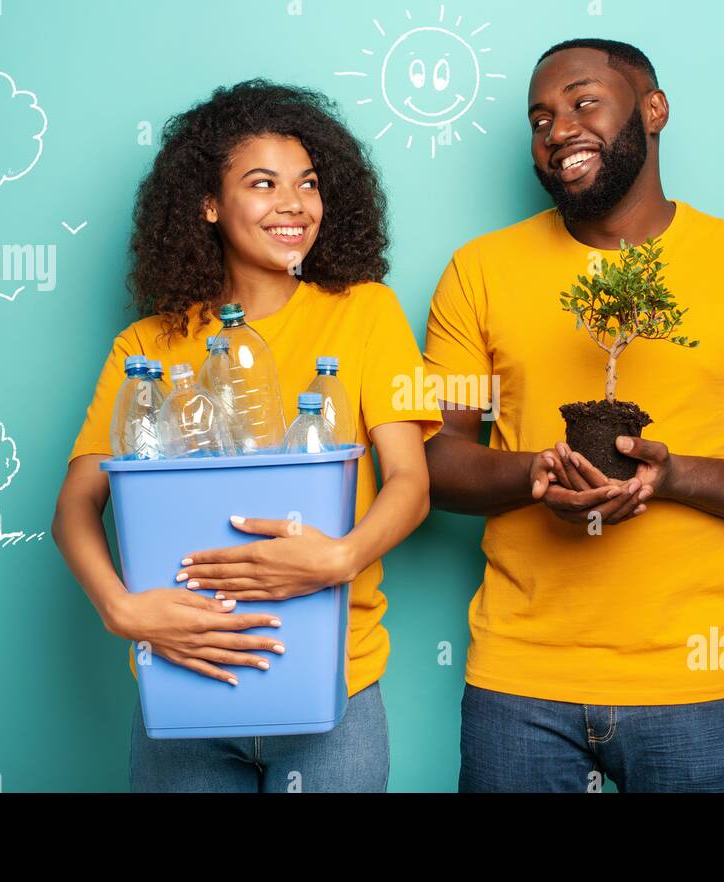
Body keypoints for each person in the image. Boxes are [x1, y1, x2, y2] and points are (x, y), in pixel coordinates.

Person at [422, 39, 724, 792]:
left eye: (584, 102)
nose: (558, 130)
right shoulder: (478, 272)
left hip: (693, 683)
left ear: (653, 111)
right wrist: (537, 473)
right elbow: (434, 458)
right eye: (540, 117)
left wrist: (673, 474)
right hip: (518, 680)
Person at [51, 80, 441, 792]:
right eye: (263, 184)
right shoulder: (147, 344)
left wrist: (339, 558)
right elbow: (75, 506)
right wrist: (123, 610)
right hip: (180, 680)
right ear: (208, 204)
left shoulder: (366, 314)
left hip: (334, 688)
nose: (294, 205)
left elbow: (411, 484)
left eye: (309, 184)